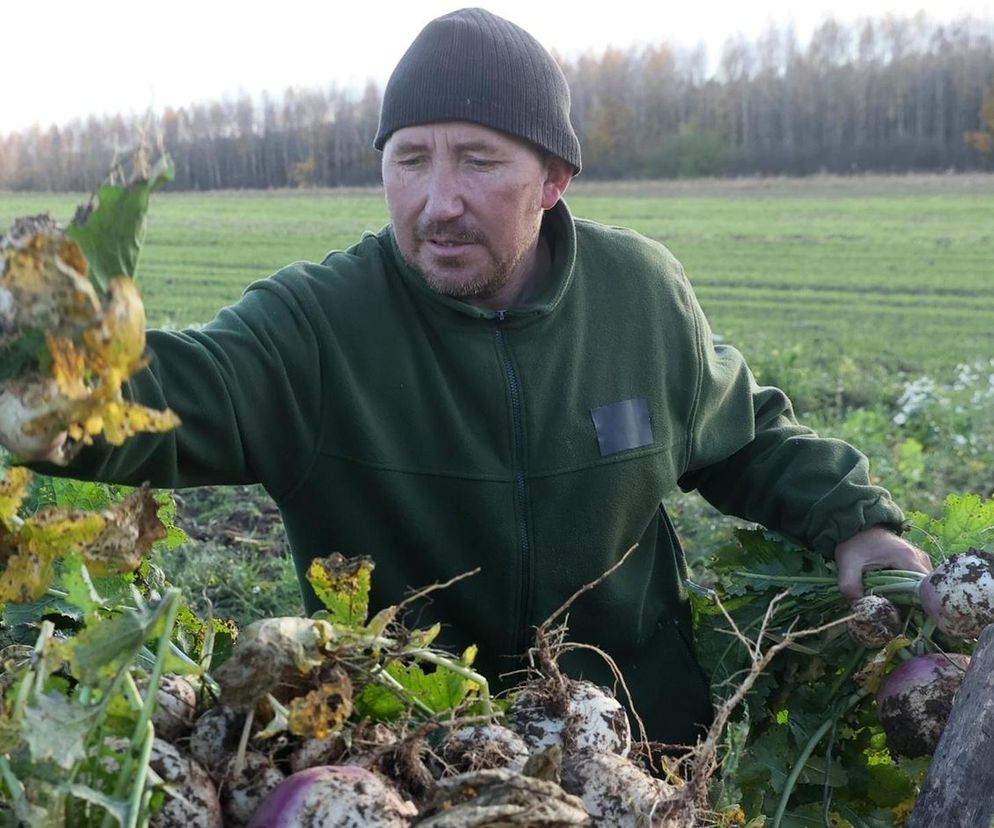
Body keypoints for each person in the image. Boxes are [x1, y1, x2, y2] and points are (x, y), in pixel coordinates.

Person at [5, 7, 929, 745]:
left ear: (554, 178)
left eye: (479, 162)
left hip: (641, 752)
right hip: (412, 759)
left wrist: (855, 524)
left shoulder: (639, 295)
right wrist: (28, 374)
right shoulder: (315, 328)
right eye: (410, 161)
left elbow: (745, 434)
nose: (437, 203)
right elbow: (145, 402)